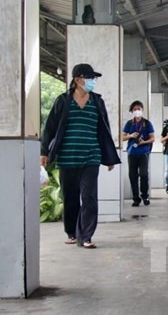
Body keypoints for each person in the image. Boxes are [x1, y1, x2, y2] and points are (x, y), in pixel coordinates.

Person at [40, 63, 121, 249]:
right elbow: (50, 128)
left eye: (94, 78)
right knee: (70, 196)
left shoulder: (97, 101)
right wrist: (44, 152)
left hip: (91, 156)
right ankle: (71, 232)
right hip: (67, 157)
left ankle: (86, 236)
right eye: (90, 78)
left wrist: (109, 157)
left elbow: (104, 130)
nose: (93, 81)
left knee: (90, 197)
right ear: (78, 80)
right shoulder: (63, 100)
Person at [122, 100, 155, 207]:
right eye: (135, 109)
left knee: (144, 174)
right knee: (133, 176)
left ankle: (145, 196)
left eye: (139, 109)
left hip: (144, 152)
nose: (137, 111)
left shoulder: (147, 123)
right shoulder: (129, 123)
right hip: (132, 152)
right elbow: (122, 137)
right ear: (132, 111)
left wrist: (144, 142)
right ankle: (136, 198)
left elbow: (153, 138)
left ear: (142, 110)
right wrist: (130, 136)